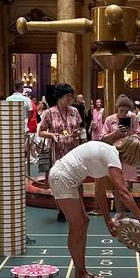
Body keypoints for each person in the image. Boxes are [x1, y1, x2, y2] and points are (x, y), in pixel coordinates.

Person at [48, 137, 140, 278]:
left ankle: (82, 272)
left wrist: (108, 221)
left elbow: (100, 192)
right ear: (131, 156)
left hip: (68, 178)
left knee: (84, 222)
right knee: (77, 227)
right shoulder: (113, 158)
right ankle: (80, 275)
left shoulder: (108, 154)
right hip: (63, 177)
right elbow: (122, 192)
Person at [101, 93, 140, 223]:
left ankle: (128, 210)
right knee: (118, 186)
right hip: (114, 155)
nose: (123, 113)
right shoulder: (109, 120)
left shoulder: (133, 117)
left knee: (127, 185)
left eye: (126, 111)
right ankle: (119, 212)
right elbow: (103, 138)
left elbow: (137, 133)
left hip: (129, 155)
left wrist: (131, 139)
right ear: (116, 109)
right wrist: (115, 133)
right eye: (121, 111)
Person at [38, 83, 83, 222]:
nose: (70, 99)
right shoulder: (49, 112)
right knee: (59, 182)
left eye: (71, 96)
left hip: (73, 150)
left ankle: (80, 208)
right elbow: (41, 132)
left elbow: (79, 128)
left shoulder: (74, 111)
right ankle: (62, 211)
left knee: (78, 179)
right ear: (59, 97)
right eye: (67, 96)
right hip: (57, 152)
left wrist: (77, 133)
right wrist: (51, 135)